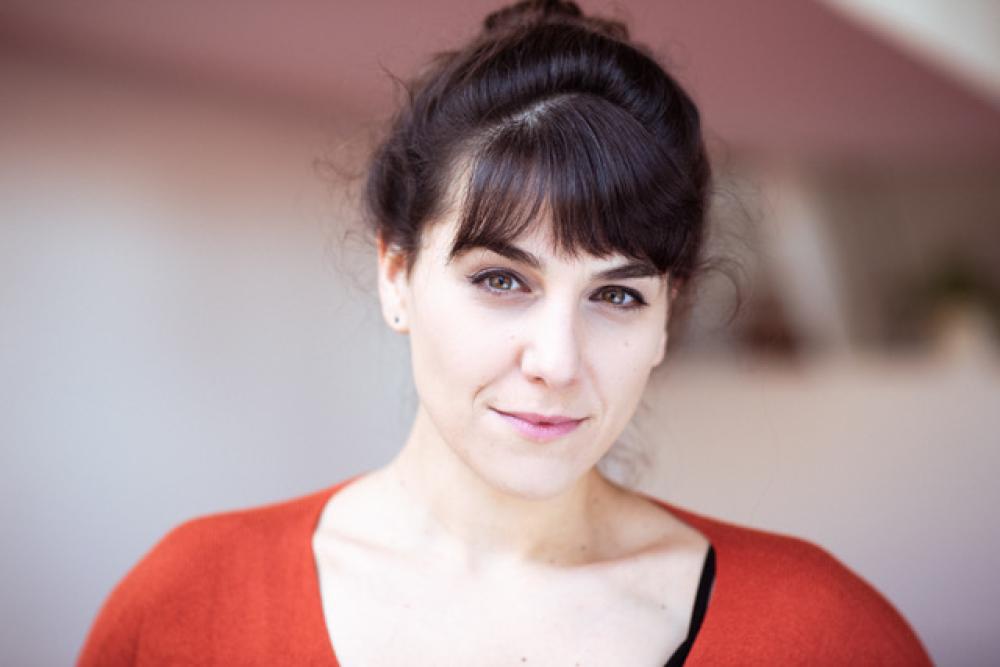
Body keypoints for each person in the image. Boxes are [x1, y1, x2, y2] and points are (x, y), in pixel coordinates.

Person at [78, 1, 932, 664]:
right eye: (501, 280)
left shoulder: (827, 633)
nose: (557, 361)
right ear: (396, 273)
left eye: (618, 295)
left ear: (667, 317)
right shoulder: (186, 607)